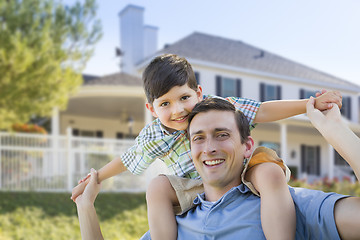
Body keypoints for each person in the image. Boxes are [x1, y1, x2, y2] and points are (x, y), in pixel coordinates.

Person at [71, 54, 342, 240]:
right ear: (151, 110)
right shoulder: (154, 135)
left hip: (241, 170)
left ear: (199, 93)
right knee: (157, 187)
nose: (178, 110)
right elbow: (128, 159)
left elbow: (262, 110)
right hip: (194, 185)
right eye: (165, 104)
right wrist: (96, 177)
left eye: (184, 98)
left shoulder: (218, 108)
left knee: (269, 172)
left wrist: (309, 105)